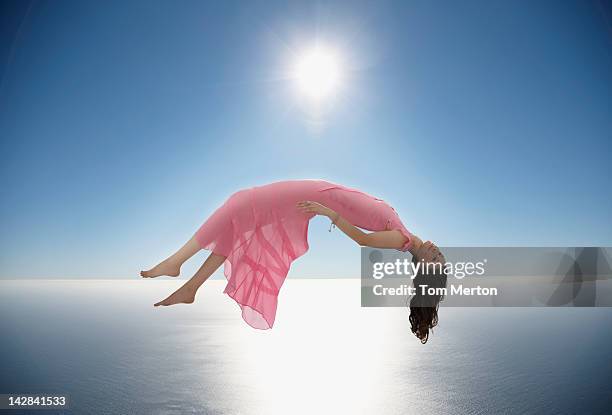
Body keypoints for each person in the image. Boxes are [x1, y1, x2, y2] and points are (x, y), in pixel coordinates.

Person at [141, 179, 445, 339]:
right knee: (242, 218)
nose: (438, 252)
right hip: (322, 192)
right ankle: (191, 286)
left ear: (427, 267)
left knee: (240, 202)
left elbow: (363, 240)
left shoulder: (401, 240)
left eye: (437, 259)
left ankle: (176, 262)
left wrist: (329, 213)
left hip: (318, 198)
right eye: (441, 254)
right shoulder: (406, 233)